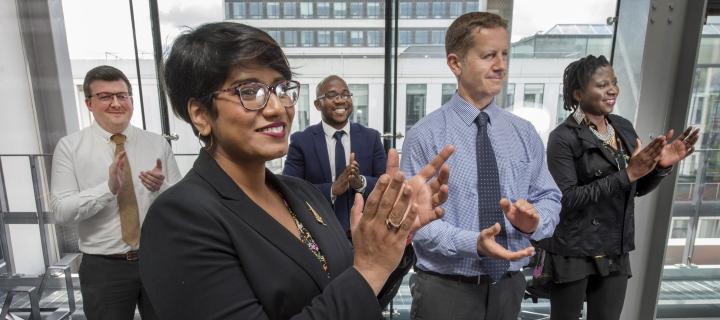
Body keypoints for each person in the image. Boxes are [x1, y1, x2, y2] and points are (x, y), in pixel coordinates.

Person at [138, 22, 455, 320]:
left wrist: (394, 239)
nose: (278, 107)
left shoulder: (302, 194)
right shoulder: (180, 217)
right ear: (200, 114)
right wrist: (369, 269)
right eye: (249, 91)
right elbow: (360, 282)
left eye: (280, 88)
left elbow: (360, 298)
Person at [400, 12, 562, 320]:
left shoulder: (524, 133)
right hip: (446, 290)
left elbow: (550, 197)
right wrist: (474, 243)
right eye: (489, 55)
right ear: (455, 64)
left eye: (504, 54)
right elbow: (415, 223)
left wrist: (535, 222)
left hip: (509, 287)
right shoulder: (425, 135)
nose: (501, 65)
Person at [536, 55, 700, 320]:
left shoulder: (622, 127)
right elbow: (566, 199)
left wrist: (660, 167)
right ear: (578, 93)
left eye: (614, 82)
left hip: (614, 247)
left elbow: (635, 187)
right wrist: (628, 173)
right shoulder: (562, 137)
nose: (612, 89)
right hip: (573, 250)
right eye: (602, 85)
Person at [50, 65, 182, 320]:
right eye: (105, 97)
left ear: (131, 100)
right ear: (89, 103)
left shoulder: (157, 143)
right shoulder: (70, 147)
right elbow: (61, 211)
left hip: (158, 260)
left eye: (122, 96)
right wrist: (108, 189)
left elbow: (180, 203)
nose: (116, 103)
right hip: (104, 268)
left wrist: (161, 188)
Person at [283, 75, 386, 235]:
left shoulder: (371, 137)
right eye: (331, 96)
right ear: (318, 104)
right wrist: (332, 189)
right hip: (321, 232)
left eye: (345, 94)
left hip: (366, 230)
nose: (340, 100)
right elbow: (290, 189)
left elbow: (384, 183)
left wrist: (360, 183)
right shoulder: (301, 141)